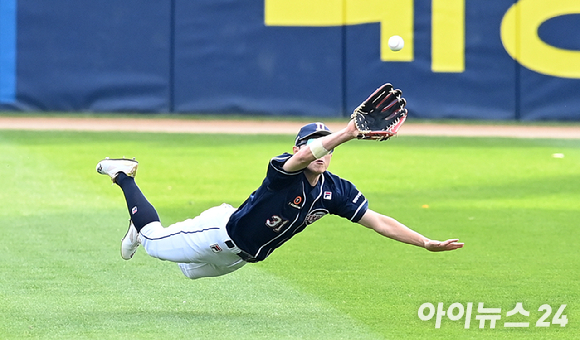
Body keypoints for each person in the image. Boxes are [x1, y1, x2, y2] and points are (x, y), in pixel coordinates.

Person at [96, 119, 464, 280]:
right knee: (153, 242)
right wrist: (347, 133)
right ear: (297, 147)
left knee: (189, 273)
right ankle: (124, 176)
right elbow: (304, 158)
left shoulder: (337, 190)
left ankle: (143, 225)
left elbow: (379, 221)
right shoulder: (283, 172)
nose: (320, 151)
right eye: (312, 143)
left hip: (241, 257)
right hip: (218, 232)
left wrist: (425, 242)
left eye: (326, 145)